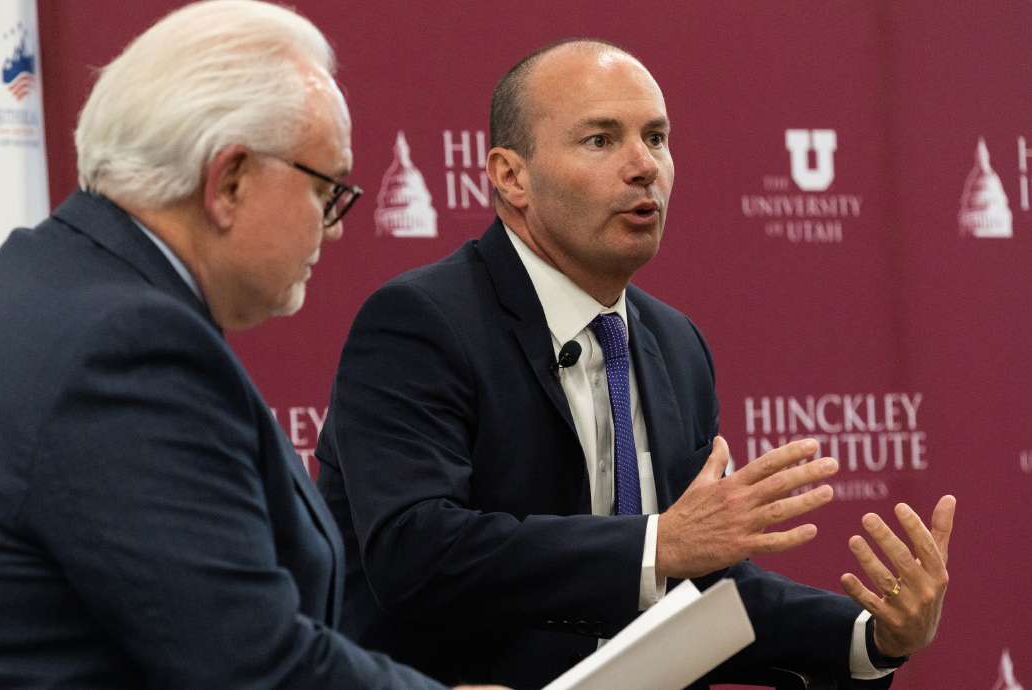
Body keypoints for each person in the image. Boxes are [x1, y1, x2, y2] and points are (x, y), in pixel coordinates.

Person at [0, 3, 505, 689]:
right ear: (229, 181)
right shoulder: (123, 346)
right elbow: (252, 665)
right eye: (327, 190)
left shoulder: (58, 282)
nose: (333, 230)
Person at [315, 39, 955, 690]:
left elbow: (703, 590)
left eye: (656, 137)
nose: (643, 166)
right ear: (510, 176)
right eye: (600, 140)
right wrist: (655, 545)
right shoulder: (420, 322)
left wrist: (871, 636)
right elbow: (415, 550)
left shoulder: (676, 344)